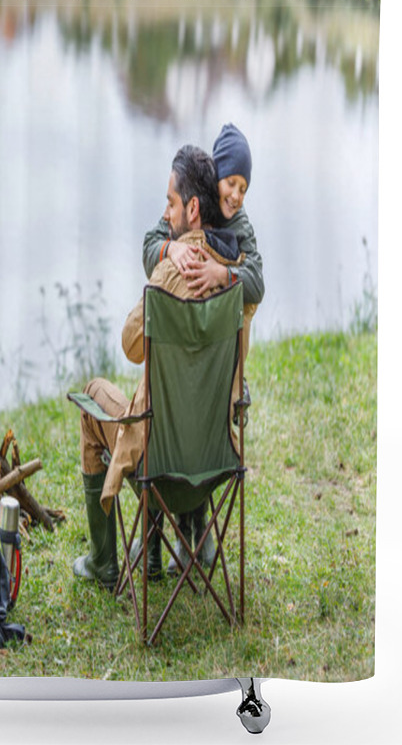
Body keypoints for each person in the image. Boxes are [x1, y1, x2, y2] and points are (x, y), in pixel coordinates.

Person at [73, 145, 250, 589]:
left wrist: (167, 257)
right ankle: (155, 550)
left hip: (159, 461)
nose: (164, 213)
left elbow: (131, 345)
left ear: (191, 207)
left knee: (96, 396)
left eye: (170, 203)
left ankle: (103, 563)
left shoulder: (168, 276)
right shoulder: (236, 278)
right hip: (214, 460)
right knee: (167, 410)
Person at [142, 123, 264, 574]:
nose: (236, 195)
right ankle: (190, 539)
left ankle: (181, 540)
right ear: (215, 178)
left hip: (217, 367)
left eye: (244, 188)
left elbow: (258, 282)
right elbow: (153, 240)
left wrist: (223, 275)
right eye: (232, 183)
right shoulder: (190, 199)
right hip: (195, 375)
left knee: (169, 409)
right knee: (184, 406)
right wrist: (168, 253)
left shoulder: (241, 229)